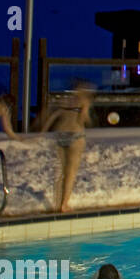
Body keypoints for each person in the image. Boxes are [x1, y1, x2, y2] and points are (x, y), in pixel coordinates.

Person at [40, 83, 95, 214]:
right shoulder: (84, 101)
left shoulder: (64, 100)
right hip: (75, 135)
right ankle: (64, 204)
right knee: (70, 173)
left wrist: (42, 130)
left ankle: (58, 203)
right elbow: (83, 120)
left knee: (62, 172)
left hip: (61, 134)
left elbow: (52, 116)